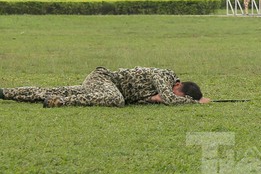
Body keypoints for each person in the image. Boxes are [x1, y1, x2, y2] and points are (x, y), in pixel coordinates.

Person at [0, 66, 211, 107]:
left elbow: (161, 98)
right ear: (178, 85)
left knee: (52, 89)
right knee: (116, 100)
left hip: (103, 85)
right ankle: (61, 102)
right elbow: (171, 99)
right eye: (175, 93)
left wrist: (153, 99)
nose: (167, 95)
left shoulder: (161, 90)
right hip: (104, 79)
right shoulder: (164, 76)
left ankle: (6, 93)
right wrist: (197, 103)